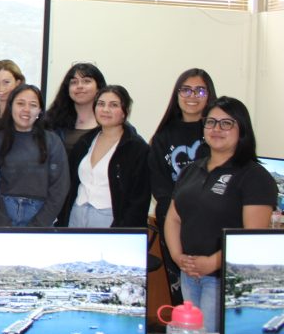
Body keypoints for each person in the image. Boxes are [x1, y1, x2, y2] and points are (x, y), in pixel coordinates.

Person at [163, 97, 275, 332]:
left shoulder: (254, 176)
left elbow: (252, 238)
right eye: (211, 122)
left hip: (223, 279)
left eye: (226, 123)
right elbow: (173, 218)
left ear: (242, 129)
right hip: (189, 273)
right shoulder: (191, 169)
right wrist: (177, 256)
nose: (216, 129)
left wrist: (212, 263)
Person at [148, 68, 218, 305]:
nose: (192, 96)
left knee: (212, 299)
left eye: (200, 90)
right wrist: (178, 219)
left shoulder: (217, 132)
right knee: (183, 302)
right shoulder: (163, 136)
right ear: (177, 94)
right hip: (174, 224)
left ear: (209, 95)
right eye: (186, 90)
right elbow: (160, 186)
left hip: (212, 226)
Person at [0, 84, 69, 228]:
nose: (26, 109)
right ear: (11, 107)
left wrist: (39, 224)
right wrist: (2, 222)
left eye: (33, 105)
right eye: (20, 103)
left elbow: (60, 186)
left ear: (40, 110)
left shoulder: (53, 141)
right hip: (1, 213)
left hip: (40, 213)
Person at [66, 85, 150, 228]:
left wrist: (124, 230)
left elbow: (139, 199)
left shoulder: (137, 148)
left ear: (125, 111)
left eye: (114, 105)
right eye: (101, 104)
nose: (105, 110)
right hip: (76, 214)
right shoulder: (84, 142)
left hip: (111, 220)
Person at [44, 62, 108, 156]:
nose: (79, 86)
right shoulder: (51, 121)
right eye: (74, 82)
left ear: (98, 87)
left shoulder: (112, 121)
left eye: (86, 81)